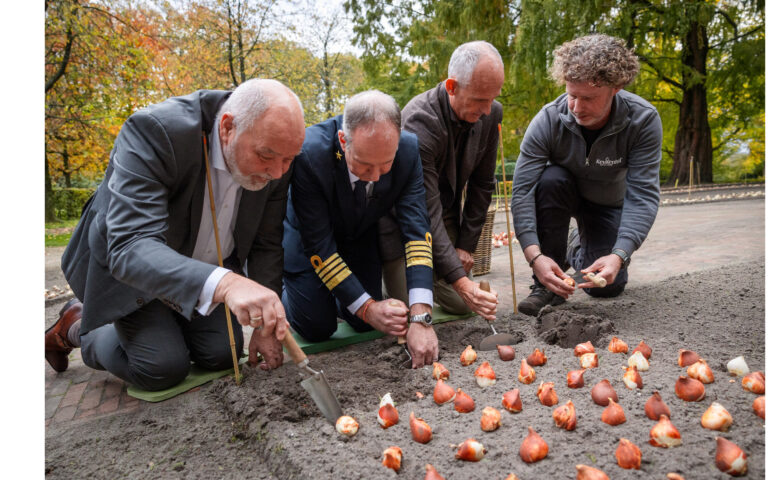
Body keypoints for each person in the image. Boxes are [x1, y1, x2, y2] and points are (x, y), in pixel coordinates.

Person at [46, 79, 306, 391]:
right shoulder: (155, 131)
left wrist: (266, 322)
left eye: (288, 160)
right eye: (266, 156)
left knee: (224, 353)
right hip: (133, 277)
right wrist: (227, 283)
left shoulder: (276, 150)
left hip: (202, 275)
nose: (277, 172)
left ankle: (165, 327)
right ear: (227, 128)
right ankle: (76, 326)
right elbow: (129, 244)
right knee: (161, 367)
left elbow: (266, 242)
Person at [282, 90, 438, 368]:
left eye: (386, 164)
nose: (376, 177)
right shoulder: (310, 155)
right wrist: (367, 306)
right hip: (310, 244)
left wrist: (421, 315)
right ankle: (288, 292)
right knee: (317, 326)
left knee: (366, 324)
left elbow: (417, 232)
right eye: (365, 165)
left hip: (358, 236)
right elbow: (319, 245)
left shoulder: (408, 150)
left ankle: (347, 301)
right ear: (344, 141)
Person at [511, 33, 663, 316]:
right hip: (558, 195)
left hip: (606, 204)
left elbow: (642, 194)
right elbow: (522, 191)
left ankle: (574, 249)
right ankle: (546, 286)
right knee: (551, 179)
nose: (577, 109)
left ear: (616, 88)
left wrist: (620, 255)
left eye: (589, 98)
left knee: (603, 286)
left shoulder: (643, 120)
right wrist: (535, 257)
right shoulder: (548, 120)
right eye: (572, 96)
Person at [380, 41, 502, 321]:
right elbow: (425, 210)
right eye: (479, 100)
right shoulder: (418, 123)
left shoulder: (491, 111)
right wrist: (460, 280)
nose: (487, 110)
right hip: (403, 222)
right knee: (408, 309)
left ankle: (436, 271)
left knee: (462, 305)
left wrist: (465, 247)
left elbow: (483, 185)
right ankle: (391, 279)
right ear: (452, 87)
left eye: (493, 98)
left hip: (444, 216)